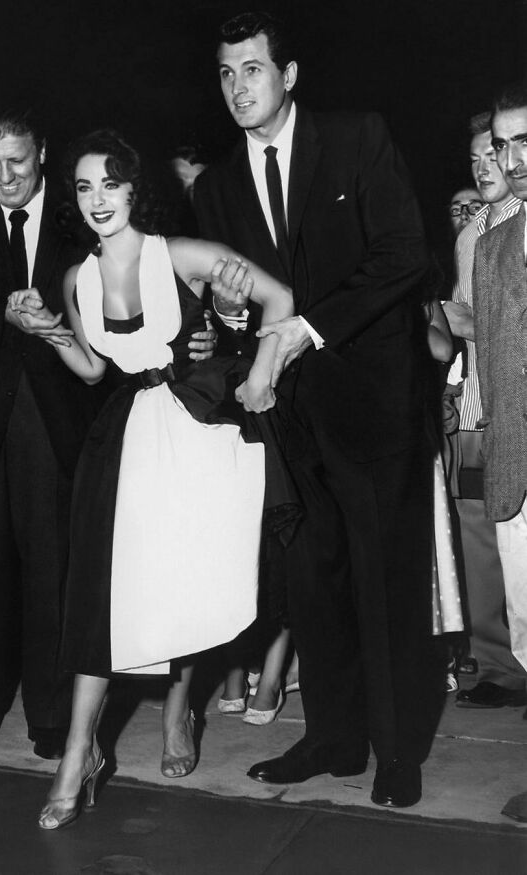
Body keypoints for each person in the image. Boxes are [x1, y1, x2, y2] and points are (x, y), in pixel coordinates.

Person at [0, 103, 216, 759]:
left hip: (64, 411)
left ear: (41, 151)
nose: (5, 175)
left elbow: (143, 282)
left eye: (17, 160)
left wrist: (195, 333)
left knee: (54, 569)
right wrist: (1, 315)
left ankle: (52, 716)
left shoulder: (85, 212)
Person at [193, 11, 444, 807]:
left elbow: (405, 254)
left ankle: (397, 752)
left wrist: (306, 326)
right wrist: (232, 314)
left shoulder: (357, 137)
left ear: (289, 74)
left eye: (253, 70)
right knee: (315, 582)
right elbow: (234, 310)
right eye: (227, 73)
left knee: (385, 581)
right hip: (289, 417)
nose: (239, 87)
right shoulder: (220, 185)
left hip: (374, 406)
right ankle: (333, 738)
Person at [15, 129, 295, 830]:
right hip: (128, 435)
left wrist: (253, 366)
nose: (99, 198)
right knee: (104, 596)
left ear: (135, 190)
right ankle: (78, 754)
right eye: (84, 186)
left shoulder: (183, 256)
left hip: (199, 430)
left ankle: (178, 710)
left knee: (191, 583)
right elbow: (90, 368)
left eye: (111, 182)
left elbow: (282, 299)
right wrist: (49, 328)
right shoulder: (76, 278)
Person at [443, 112, 526, 710]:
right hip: (497, 419)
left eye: (507, 147)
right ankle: (501, 660)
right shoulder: (483, 236)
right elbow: (481, 329)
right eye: (493, 149)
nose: (496, 161)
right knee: (501, 558)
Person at [473, 80, 527, 712]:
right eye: (501, 144)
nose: (511, 160)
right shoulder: (492, 248)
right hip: (516, 464)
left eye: (524, 141)